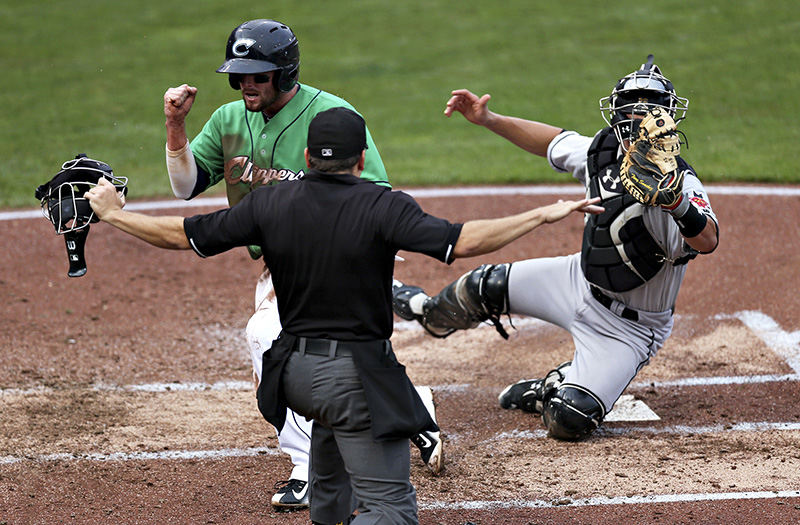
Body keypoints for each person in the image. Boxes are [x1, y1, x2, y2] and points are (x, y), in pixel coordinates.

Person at [84, 107, 602, 524]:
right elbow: (461, 241)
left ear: (309, 156)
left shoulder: (271, 205)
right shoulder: (383, 206)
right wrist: (542, 213)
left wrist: (113, 214)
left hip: (297, 378)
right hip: (356, 378)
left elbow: (184, 234)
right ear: (360, 162)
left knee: (330, 497)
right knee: (391, 511)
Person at [162, 19, 441, 507]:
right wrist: (175, 125)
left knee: (270, 336)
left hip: (337, 255)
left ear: (285, 73)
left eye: (258, 75)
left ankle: (307, 466)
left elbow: (372, 192)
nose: (247, 84)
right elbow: (186, 187)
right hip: (277, 262)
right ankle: (413, 407)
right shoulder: (230, 120)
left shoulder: (331, 115)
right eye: (239, 76)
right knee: (329, 351)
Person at [392, 55, 719, 441]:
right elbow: (552, 141)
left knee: (569, 419)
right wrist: (489, 119)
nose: (638, 120)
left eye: (647, 112)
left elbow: (708, 239)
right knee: (481, 288)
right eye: (631, 111)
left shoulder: (681, 183)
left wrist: (675, 202)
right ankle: (424, 308)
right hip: (577, 281)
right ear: (617, 115)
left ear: (667, 118)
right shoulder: (601, 154)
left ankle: (551, 388)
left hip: (630, 329)